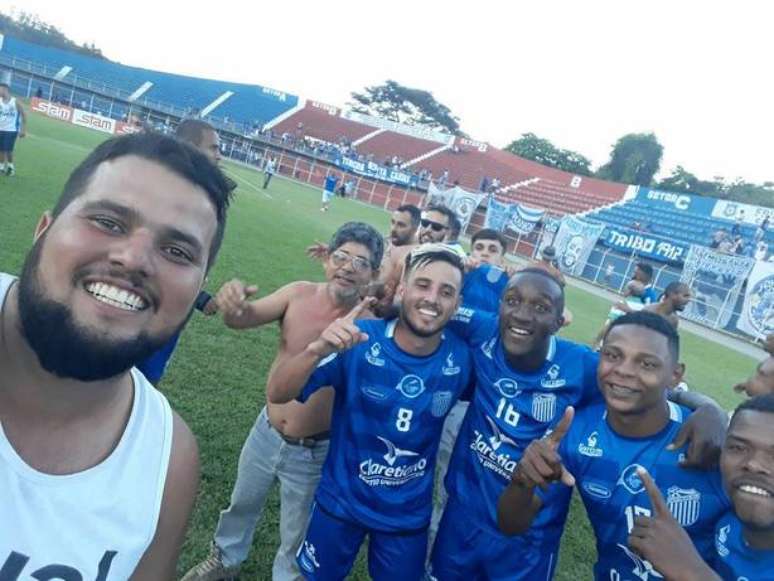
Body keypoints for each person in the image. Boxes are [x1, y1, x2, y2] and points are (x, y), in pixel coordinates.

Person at [0, 132, 233, 578]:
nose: (134, 259)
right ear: (43, 229)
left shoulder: (169, 461)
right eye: (108, 221)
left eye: (177, 251)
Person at [428, 269, 727, 580]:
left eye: (541, 307)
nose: (522, 315)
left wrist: (709, 408)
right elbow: (427, 310)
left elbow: (649, 388)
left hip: (530, 538)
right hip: (463, 515)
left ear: (560, 322)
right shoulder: (484, 329)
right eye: (512, 301)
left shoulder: (583, 366)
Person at [182, 223, 384, 581]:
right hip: (267, 430)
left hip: (315, 448)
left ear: (372, 275)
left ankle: (287, 576)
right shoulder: (298, 294)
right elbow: (245, 318)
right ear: (327, 261)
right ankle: (225, 559)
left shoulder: (371, 329)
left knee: (297, 528)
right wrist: (234, 306)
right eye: (341, 257)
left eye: (361, 263)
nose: (348, 267)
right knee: (242, 503)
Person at [266, 245, 472, 580]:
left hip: (406, 515)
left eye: (446, 292)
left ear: (457, 305)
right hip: (341, 503)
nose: (432, 299)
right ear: (402, 289)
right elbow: (278, 392)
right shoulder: (359, 340)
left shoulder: (463, 359)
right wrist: (317, 349)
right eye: (423, 285)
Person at [497, 311, 730, 580]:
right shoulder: (576, 433)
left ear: (675, 375)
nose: (624, 371)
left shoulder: (710, 443)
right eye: (613, 355)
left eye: (647, 364)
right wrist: (521, 482)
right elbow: (511, 524)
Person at [625, 394, 774, 580]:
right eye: (738, 448)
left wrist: (691, 571)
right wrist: (710, 411)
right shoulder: (731, 516)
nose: (753, 464)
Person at [135, 119, 225, 384]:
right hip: (151, 306)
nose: (219, 155)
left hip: (173, 308)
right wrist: (201, 298)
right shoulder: (170, 195)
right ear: (190, 148)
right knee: (135, 376)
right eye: (214, 148)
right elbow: (164, 257)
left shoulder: (204, 196)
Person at [0, 81, 26, 176]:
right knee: (1, 149)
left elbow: (24, 115)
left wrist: (23, 129)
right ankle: (2, 167)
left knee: (8, 150)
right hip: (1, 129)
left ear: (5, 90)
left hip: (11, 130)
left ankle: (11, 167)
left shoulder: (15, 101)